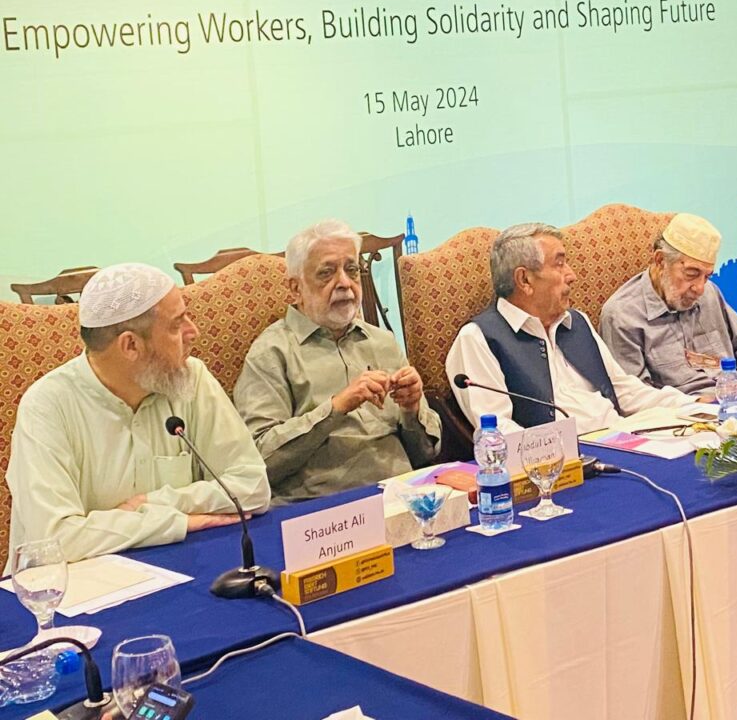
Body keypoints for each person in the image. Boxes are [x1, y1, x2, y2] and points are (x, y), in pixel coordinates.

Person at [5, 264, 271, 568]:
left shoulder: (190, 378)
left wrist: (154, 502)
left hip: (176, 569)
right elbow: (54, 541)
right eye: (176, 325)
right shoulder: (47, 406)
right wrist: (174, 522)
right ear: (130, 345)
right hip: (72, 588)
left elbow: (253, 486)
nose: (193, 332)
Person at [234, 220, 440, 502]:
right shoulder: (271, 353)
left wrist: (411, 409)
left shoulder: (382, 342)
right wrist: (336, 408)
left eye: (352, 270)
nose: (344, 283)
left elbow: (427, 453)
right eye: (326, 273)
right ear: (295, 288)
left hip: (400, 495)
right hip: (323, 510)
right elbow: (259, 463)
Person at [446, 223, 700, 433]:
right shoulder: (478, 339)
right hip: (561, 464)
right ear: (524, 280)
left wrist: (695, 406)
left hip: (622, 440)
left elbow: (625, 391)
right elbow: (497, 431)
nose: (572, 275)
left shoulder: (577, 322)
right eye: (559, 264)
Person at [599, 214, 737, 395]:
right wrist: (699, 402)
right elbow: (634, 396)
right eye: (691, 274)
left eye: (706, 276)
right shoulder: (622, 316)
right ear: (661, 261)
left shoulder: (709, 293)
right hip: (683, 411)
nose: (700, 288)